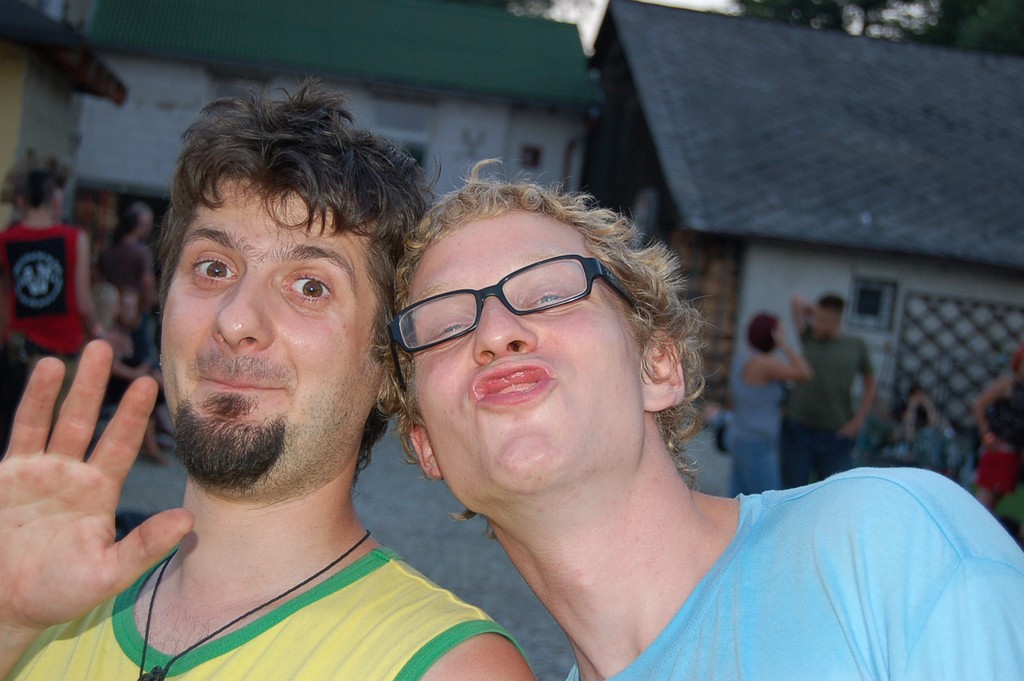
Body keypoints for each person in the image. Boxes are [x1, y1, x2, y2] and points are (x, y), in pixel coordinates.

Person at [386, 164, 1024, 680]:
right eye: (444, 326)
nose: (496, 332)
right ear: (426, 445)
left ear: (658, 367)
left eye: (551, 294)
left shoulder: (884, 546)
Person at [0, 83, 534, 680]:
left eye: (310, 286)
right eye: (213, 267)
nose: (235, 320)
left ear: (388, 367)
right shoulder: (41, 600)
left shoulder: (449, 668)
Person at [0, 169, 100, 412]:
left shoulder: (4, 241)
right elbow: (83, 303)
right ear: (55, 201)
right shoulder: (75, 238)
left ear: (20, 201)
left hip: (20, 353)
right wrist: (97, 331)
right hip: (64, 351)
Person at [779, 293, 876, 488]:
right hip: (798, 428)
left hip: (835, 432)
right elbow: (796, 301)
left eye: (823, 320)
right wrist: (817, 313)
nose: (816, 324)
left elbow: (871, 385)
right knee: (792, 489)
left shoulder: (855, 346)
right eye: (815, 318)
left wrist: (858, 421)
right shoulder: (809, 338)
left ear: (837, 320)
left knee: (834, 490)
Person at [724, 312, 811, 495]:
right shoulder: (766, 364)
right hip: (757, 441)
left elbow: (731, 399)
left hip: (740, 435)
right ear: (772, 335)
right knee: (768, 501)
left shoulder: (741, 360)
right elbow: (804, 372)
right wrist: (785, 345)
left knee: (740, 499)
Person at [96, 201, 160, 364]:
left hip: (112, 313)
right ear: (137, 225)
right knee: (141, 354)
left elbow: (97, 280)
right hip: (135, 311)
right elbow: (147, 282)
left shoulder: (109, 250)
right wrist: (149, 305)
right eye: (147, 224)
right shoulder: (141, 252)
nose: (150, 228)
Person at [971, 343, 1024, 516]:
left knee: (997, 497)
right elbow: (979, 405)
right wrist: (986, 435)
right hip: (999, 448)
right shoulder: (1008, 385)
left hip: (1014, 451)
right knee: (986, 497)